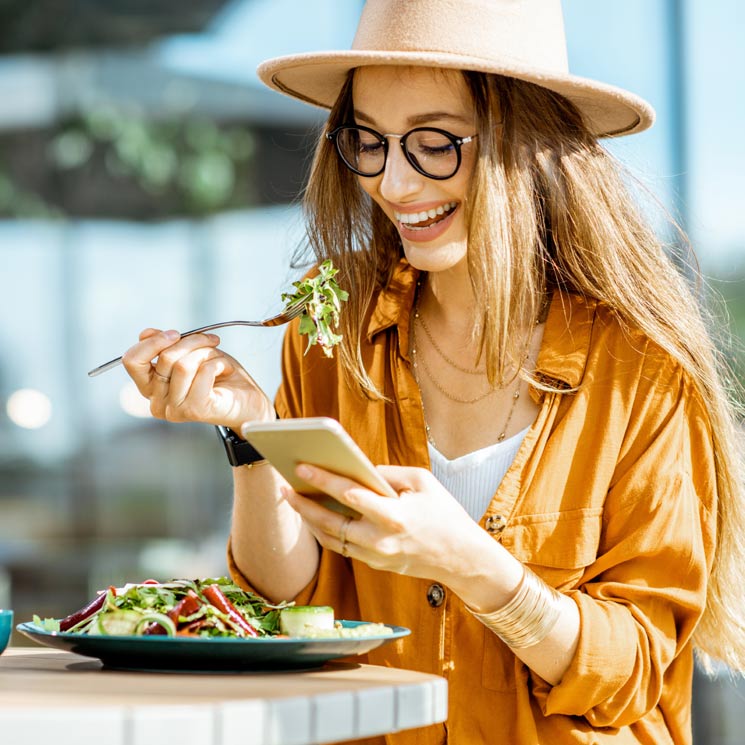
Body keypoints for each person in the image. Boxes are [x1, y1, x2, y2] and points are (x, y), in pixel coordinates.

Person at [121, 1, 745, 742]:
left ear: (528, 142)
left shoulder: (639, 369)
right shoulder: (332, 334)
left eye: (433, 143)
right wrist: (251, 435)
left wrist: (473, 565)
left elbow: (635, 666)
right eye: (369, 142)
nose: (393, 181)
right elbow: (288, 599)